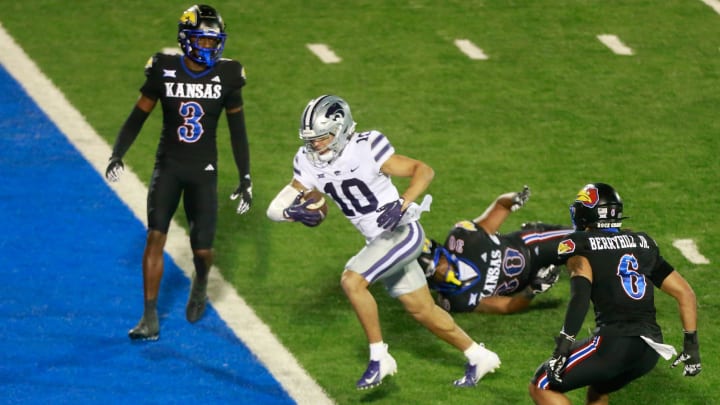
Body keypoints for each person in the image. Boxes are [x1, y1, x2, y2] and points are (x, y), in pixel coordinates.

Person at [267, 95, 501, 389]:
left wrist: (402, 203)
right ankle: (478, 355)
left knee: (352, 281)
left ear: (341, 129)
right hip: (377, 241)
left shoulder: (367, 146)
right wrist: (295, 212)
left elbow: (423, 170)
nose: (315, 145)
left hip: (401, 233)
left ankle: (380, 357)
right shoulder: (307, 161)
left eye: (323, 137)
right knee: (422, 310)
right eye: (311, 139)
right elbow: (284, 203)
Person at [105, 4, 253, 341]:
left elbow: (238, 132)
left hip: (204, 171)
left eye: (213, 42)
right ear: (186, 39)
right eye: (203, 41)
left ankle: (201, 280)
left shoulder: (228, 76)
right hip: (168, 166)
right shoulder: (163, 69)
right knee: (155, 235)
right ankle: (148, 318)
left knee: (202, 249)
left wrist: (245, 176)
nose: (210, 47)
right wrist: (118, 153)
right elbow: (138, 115)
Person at [529, 183, 702, 405]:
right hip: (649, 351)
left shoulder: (581, 245)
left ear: (586, 213)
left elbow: (580, 297)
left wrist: (563, 347)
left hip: (614, 344)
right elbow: (685, 293)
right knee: (598, 389)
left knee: (541, 384)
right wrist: (691, 347)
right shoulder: (642, 243)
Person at [418, 187, 574, 314]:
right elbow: (506, 306)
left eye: (438, 264)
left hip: (531, 247)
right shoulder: (457, 300)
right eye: (433, 274)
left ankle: (541, 229)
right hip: (527, 279)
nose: (440, 272)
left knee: (586, 241)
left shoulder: (465, 239)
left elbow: (501, 206)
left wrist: (513, 198)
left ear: (441, 252)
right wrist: (532, 290)